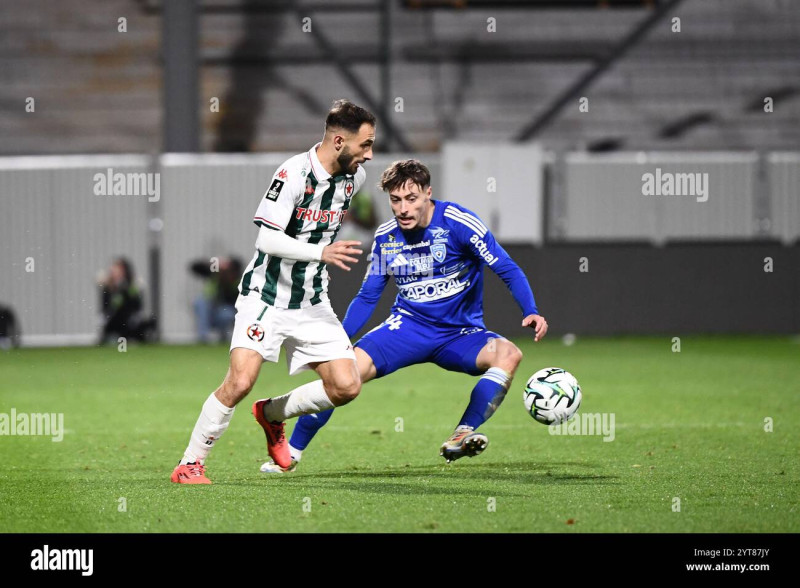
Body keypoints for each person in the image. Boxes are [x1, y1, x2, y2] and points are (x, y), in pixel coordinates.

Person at [260, 159, 548, 473]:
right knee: (343, 377)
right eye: (395, 200)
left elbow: (506, 267)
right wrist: (339, 339)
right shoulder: (387, 237)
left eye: (411, 199)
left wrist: (530, 310)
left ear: (428, 194)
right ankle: (291, 454)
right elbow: (368, 295)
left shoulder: (458, 222)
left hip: (461, 334)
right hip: (406, 329)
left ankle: (461, 434)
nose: (403, 208)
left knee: (508, 354)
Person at [171, 99, 376, 484]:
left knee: (347, 386)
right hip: (266, 297)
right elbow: (267, 239)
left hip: (311, 300)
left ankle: (271, 414)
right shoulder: (293, 173)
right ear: (338, 141)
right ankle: (190, 463)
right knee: (240, 382)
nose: (369, 154)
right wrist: (321, 252)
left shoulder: (355, 178)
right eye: (364, 145)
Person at [97, 258, 154, 344]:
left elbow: (136, 305)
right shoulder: (108, 287)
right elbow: (107, 308)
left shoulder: (132, 285)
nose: (113, 272)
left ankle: (132, 337)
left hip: (129, 321)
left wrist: (127, 290)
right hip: (114, 322)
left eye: (116, 269)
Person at [189, 256, 243, 343]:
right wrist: (215, 264)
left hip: (225, 313)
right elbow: (195, 267)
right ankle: (203, 337)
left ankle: (223, 337)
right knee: (201, 302)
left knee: (227, 313)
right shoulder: (215, 276)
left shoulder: (239, 283)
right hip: (210, 311)